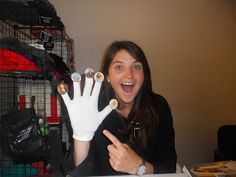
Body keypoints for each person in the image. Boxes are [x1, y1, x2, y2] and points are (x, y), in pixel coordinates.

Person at [59, 40, 177, 176]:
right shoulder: (92, 108)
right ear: (107, 76)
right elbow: (81, 172)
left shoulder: (158, 107)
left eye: (137, 67)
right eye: (119, 67)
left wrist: (139, 167)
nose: (129, 75)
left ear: (144, 75)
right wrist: (82, 139)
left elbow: (168, 166)